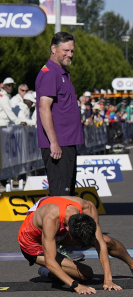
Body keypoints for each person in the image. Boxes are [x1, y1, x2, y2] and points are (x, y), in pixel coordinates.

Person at [18, 196, 133, 294]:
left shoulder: (88, 208)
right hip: (33, 244)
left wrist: (108, 280)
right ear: (67, 230)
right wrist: (76, 286)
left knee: (106, 240)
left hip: (58, 227)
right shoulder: (51, 219)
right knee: (86, 274)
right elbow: (50, 261)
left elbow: (101, 244)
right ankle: (48, 272)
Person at [36, 31, 83, 196]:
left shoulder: (61, 73)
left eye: (72, 51)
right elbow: (44, 108)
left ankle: (65, 223)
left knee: (67, 194)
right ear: (53, 49)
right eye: (66, 50)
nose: (70, 54)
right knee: (59, 196)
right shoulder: (50, 73)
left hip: (67, 142)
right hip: (58, 144)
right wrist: (54, 142)